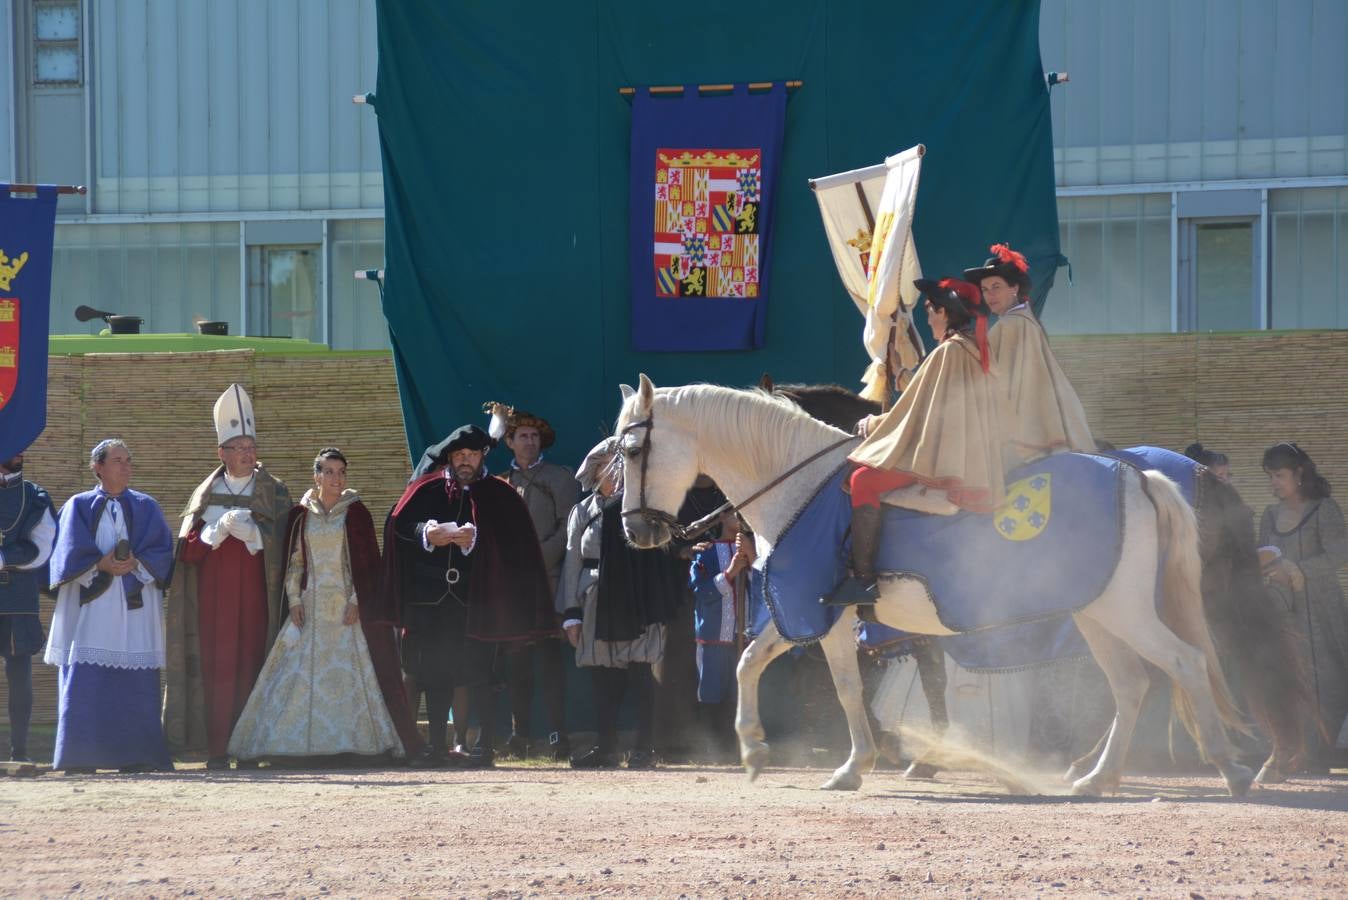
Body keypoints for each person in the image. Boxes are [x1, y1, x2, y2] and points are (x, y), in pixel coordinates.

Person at [385, 424, 555, 768]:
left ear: (482, 456)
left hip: (480, 600)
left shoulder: (501, 494)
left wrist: (477, 539)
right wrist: (427, 533)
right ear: (450, 457)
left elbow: (516, 545)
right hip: (432, 603)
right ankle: (436, 747)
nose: (465, 461)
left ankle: (484, 748)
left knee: (481, 675)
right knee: (435, 675)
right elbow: (399, 525)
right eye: (460, 455)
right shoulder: (426, 489)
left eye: (472, 454)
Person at [228, 449, 411, 763]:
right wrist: (294, 599)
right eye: (329, 472)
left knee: (351, 677)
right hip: (311, 606)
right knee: (291, 676)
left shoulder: (355, 513)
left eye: (341, 472)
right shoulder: (302, 515)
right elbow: (296, 562)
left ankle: (355, 745)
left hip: (345, 608)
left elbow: (368, 565)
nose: (336, 478)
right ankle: (291, 748)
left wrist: (356, 600)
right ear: (317, 476)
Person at [830, 278, 1002, 605]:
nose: (928, 318)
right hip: (966, 453)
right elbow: (926, 399)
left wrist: (873, 424)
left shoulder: (948, 352)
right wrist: (901, 374)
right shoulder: (970, 348)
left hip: (943, 456)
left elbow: (919, 413)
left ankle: (862, 580)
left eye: (930, 311)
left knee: (863, 480)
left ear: (945, 313)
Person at [164, 384, 293, 769]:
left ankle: (251, 749)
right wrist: (214, 533)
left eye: (251, 447)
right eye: (239, 447)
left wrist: (256, 535)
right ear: (221, 452)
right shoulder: (206, 493)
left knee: (254, 664)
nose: (248, 454)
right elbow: (185, 554)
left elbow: (290, 545)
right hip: (213, 602)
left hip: (257, 599)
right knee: (216, 670)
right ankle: (217, 749)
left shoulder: (275, 491)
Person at [45, 440, 175, 773]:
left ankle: (137, 755)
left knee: (136, 675)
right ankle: (80, 756)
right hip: (92, 606)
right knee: (86, 674)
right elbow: (65, 552)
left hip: (135, 606)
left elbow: (162, 550)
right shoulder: (78, 505)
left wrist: (137, 563)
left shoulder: (146, 506)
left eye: (128, 460)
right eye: (118, 460)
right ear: (98, 467)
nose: (126, 466)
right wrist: (99, 564)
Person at [558, 437, 686, 769]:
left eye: (620, 467)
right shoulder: (582, 512)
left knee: (641, 672)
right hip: (596, 599)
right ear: (594, 472)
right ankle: (606, 749)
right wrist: (571, 614)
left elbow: (663, 554)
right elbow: (572, 562)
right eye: (607, 467)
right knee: (603, 676)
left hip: (638, 598)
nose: (615, 474)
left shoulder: (645, 510)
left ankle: (645, 749)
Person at [486, 402, 579, 760]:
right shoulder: (498, 484)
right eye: (522, 436)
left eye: (534, 436)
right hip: (511, 588)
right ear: (509, 442)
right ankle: (519, 735)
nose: (529, 441)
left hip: (550, 582)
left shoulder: (560, 478)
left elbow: (569, 526)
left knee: (551, 660)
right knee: (517, 662)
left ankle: (558, 736)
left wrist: (539, 557)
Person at [1258, 441, 1348, 772]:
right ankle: (1293, 752)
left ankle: (1324, 754)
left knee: (1327, 679)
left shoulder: (1324, 509)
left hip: (1322, 612)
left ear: (1298, 474)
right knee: (1288, 679)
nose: (1274, 483)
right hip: (1282, 611)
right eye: (1270, 476)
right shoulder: (1270, 515)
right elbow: (1262, 555)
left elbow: (1340, 553)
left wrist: (1297, 570)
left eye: (1279, 475)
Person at [963, 244, 1094, 470]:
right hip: (1050, 424)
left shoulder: (1009, 325)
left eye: (996, 287)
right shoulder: (1027, 321)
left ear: (1014, 288)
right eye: (985, 289)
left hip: (1025, 434)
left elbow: (997, 385)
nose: (989, 295)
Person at [0, 451, 56, 762]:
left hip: (18, 599)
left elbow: (43, 547)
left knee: (19, 675)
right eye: (13, 447)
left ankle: (18, 752)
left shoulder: (35, 496)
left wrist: (4, 557)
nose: (20, 452)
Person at [687, 509, 754, 762]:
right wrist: (730, 573)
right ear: (722, 517)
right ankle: (712, 752)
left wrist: (751, 558)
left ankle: (738, 751)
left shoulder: (753, 549)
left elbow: (763, 585)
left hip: (744, 638)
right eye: (734, 512)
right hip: (713, 636)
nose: (740, 516)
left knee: (740, 695)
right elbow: (701, 591)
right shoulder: (706, 552)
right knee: (711, 693)